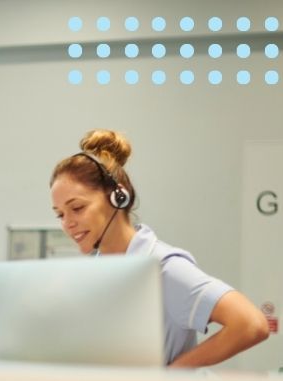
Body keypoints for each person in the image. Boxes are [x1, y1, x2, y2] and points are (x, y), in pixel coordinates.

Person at [50, 129, 269, 367]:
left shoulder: (163, 268)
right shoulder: (94, 273)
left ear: (117, 196)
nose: (67, 223)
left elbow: (250, 324)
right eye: (60, 214)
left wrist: (173, 374)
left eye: (78, 208)